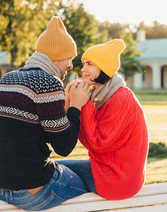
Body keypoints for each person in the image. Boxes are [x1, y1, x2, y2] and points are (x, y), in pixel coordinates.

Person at [0, 16, 92, 211]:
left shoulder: (7, 79)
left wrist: (65, 104)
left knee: (81, 168)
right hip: (32, 190)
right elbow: (64, 146)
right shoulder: (48, 83)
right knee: (92, 186)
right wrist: (76, 105)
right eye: (70, 58)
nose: (71, 65)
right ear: (58, 55)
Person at [58, 39, 149, 200]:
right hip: (111, 172)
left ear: (104, 68)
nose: (83, 69)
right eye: (84, 63)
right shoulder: (104, 96)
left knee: (52, 172)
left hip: (118, 180)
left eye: (90, 64)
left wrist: (82, 103)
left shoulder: (121, 98)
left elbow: (98, 144)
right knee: (54, 169)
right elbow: (88, 140)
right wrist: (70, 99)